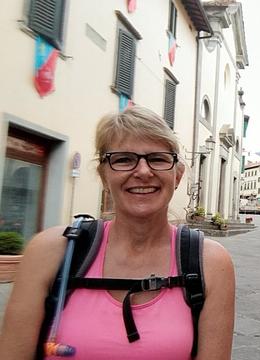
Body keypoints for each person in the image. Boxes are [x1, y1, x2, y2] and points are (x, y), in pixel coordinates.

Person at [0, 106, 235, 359]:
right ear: (103, 175)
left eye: (158, 158)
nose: (143, 172)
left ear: (177, 175)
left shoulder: (211, 264)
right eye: (123, 159)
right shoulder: (51, 251)